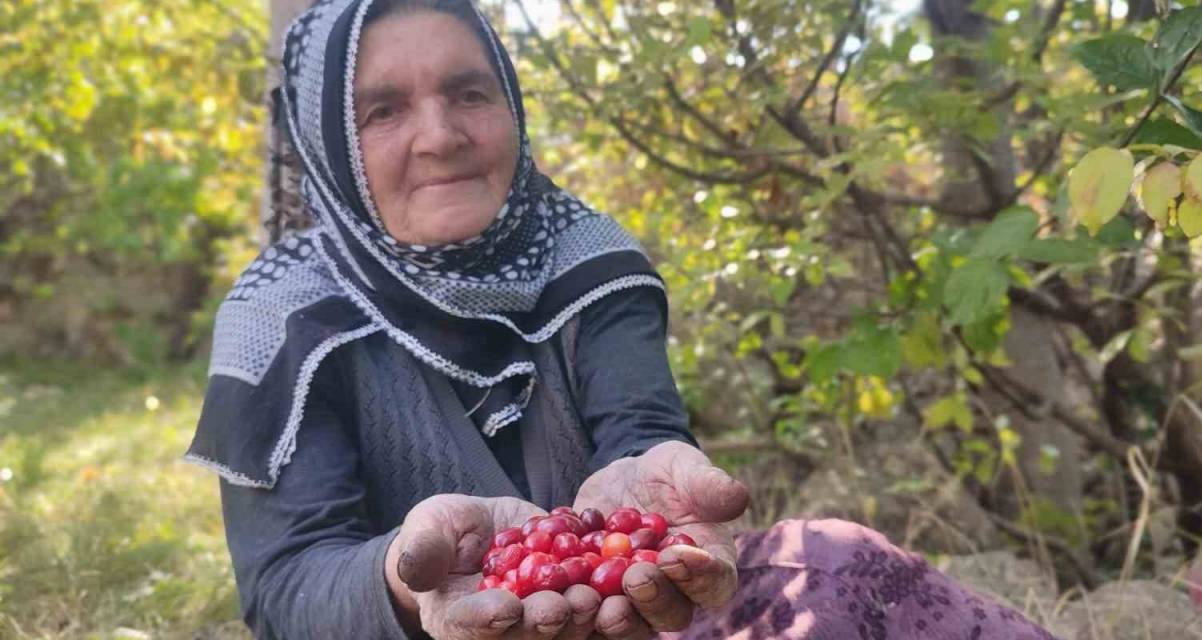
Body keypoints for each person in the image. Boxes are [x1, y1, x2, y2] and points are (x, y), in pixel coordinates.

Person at [186, 1, 1061, 638]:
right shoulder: (280, 317)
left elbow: (637, 440)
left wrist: (651, 494)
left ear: (511, 106)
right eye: (382, 110)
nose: (441, 135)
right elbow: (285, 587)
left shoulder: (588, 260)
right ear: (328, 143)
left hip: (631, 623)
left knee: (830, 565)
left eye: (469, 93)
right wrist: (407, 583)